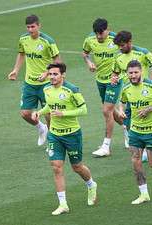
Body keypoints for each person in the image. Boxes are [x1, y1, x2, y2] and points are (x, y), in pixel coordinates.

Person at [32, 63, 97, 215]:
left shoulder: (72, 90)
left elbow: (84, 109)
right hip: (55, 134)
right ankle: (63, 204)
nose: (52, 77)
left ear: (63, 75)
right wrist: (40, 112)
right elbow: (50, 106)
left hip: (72, 134)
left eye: (55, 74)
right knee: (56, 166)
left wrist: (64, 114)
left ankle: (91, 184)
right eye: (50, 74)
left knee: (77, 167)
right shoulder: (46, 89)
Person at [116, 60, 152, 204]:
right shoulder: (126, 88)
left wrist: (149, 109)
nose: (133, 75)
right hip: (135, 131)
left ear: (141, 72)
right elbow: (122, 101)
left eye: (135, 72)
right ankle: (144, 194)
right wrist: (120, 111)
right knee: (135, 160)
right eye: (130, 73)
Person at [7, 14, 61, 147]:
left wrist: (47, 73)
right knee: (25, 113)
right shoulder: (23, 39)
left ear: (39, 26)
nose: (30, 30)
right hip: (29, 83)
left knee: (49, 114)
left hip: (46, 84)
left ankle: (52, 143)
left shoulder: (48, 41)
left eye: (33, 27)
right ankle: (41, 129)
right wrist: (15, 70)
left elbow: (58, 61)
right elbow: (21, 54)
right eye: (28, 27)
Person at [112, 30, 152, 158]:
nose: (120, 48)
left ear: (129, 42)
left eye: (122, 45)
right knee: (127, 122)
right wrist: (114, 78)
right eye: (119, 46)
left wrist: (148, 83)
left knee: (149, 121)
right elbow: (115, 73)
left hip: (145, 96)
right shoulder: (118, 57)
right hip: (128, 95)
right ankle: (143, 148)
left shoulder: (143, 52)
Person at [82, 18, 122, 157]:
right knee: (111, 111)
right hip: (100, 80)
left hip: (114, 80)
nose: (99, 36)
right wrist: (89, 62)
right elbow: (85, 53)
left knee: (106, 110)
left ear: (107, 29)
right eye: (96, 33)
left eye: (101, 33)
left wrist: (119, 73)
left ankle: (106, 146)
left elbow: (127, 55)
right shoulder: (89, 40)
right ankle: (129, 130)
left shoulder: (116, 39)